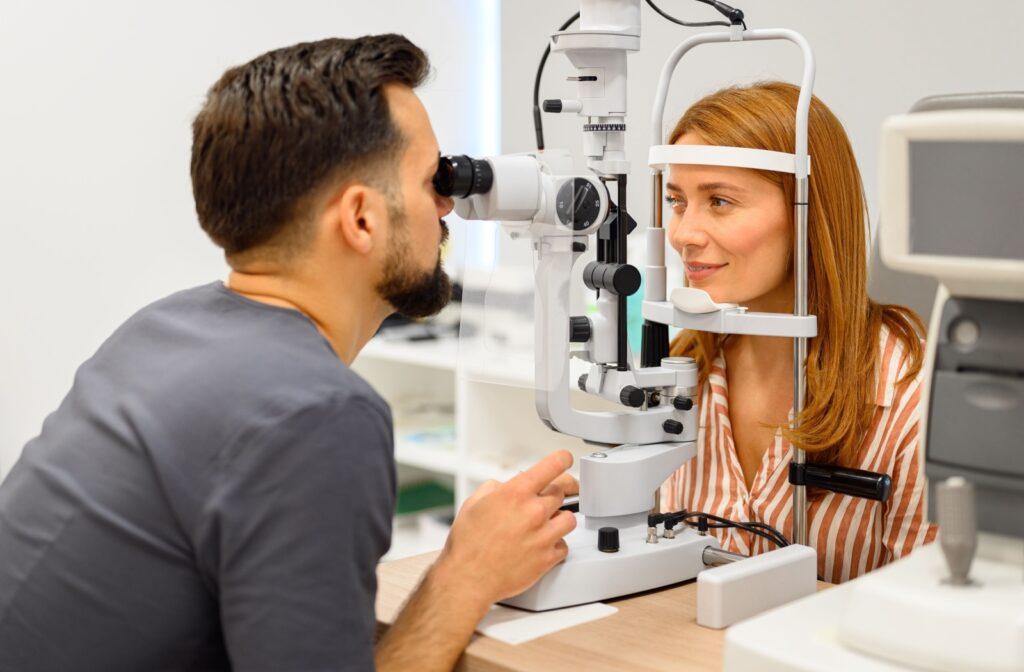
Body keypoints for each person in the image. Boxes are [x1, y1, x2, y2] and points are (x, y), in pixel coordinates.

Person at [0, 35, 577, 672]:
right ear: (361, 219)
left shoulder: (161, 326)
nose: (447, 204)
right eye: (429, 180)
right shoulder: (314, 412)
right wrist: (466, 573)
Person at [658, 81, 937, 584]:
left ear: (809, 213)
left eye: (719, 201)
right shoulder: (684, 372)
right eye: (677, 201)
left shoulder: (909, 398)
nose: (683, 234)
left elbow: (930, 611)